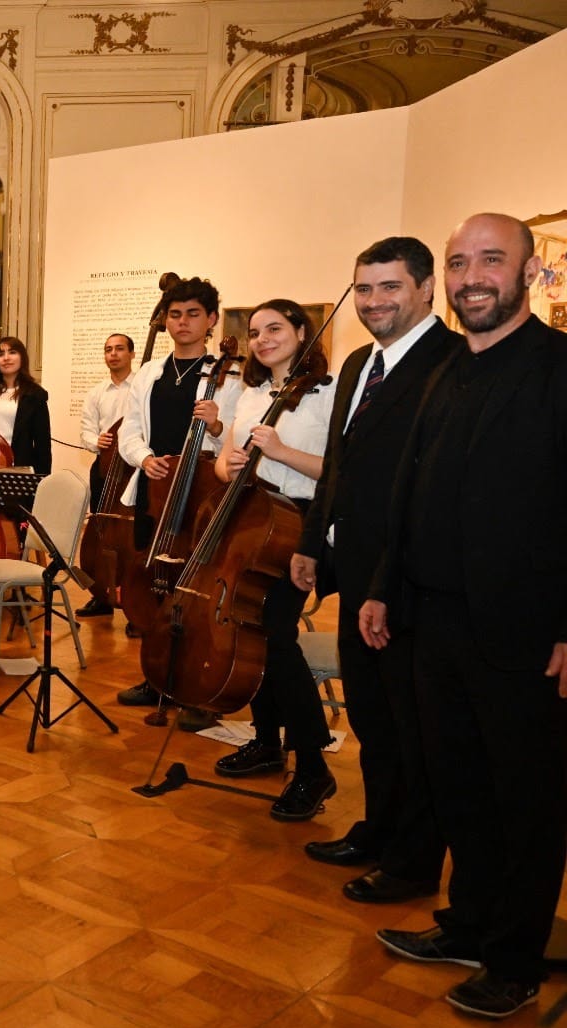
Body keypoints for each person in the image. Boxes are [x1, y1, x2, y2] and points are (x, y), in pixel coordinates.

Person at [366, 213, 567, 1021]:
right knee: (458, 787)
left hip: (525, 633)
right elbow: (409, 491)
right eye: (458, 263)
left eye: (491, 260)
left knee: (526, 801)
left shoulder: (558, 367)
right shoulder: (448, 369)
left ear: (529, 271)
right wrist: (382, 584)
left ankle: (514, 961)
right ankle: (471, 924)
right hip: (432, 622)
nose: (471, 276)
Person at [290, 237, 454, 903]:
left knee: (413, 725)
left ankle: (413, 863)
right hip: (353, 568)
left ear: (425, 290)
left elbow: (429, 487)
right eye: (364, 289)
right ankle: (378, 830)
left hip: (406, 580)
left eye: (390, 288)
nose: (375, 301)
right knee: (371, 717)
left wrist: (387, 581)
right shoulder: (360, 363)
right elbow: (338, 464)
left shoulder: (448, 363)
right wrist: (311, 540)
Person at [202, 299, 337, 819]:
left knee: (275, 635)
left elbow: (337, 470)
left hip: (299, 525)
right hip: (253, 518)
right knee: (250, 629)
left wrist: (281, 452)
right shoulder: (253, 394)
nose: (261, 339)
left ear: (302, 332)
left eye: (274, 328)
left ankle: (312, 766)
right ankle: (267, 741)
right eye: (256, 331)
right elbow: (222, 464)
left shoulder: (326, 396)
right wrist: (226, 466)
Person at [114, 277, 242, 719]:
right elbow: (130, 429)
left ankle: (198, 687)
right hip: (156, 490)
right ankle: (157, 678)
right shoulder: (149, 372)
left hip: (202, 493)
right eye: (175, 314)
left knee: (197, 592)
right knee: (157, 588)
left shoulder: (229, 375)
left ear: (210, 320)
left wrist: (219, 426)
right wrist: (145, 459)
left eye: (192, 314)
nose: (182, 322)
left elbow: (237, 437)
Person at [75, 332, 135, 616]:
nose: (113, 354)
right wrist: (95, 440)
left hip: (133, 469)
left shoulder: (141, 388)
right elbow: (86, 429)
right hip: (103, 467)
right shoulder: (96, 392)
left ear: (131, 354)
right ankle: (101, 594)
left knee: (134, 532)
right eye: (108, 349)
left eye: (120, 349)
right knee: (101, 527)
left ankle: (135, 599)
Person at [0, 335, 52, 474]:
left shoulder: (35, 394)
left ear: (22, 358)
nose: (6, 358)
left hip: (16, 466)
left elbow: (42, 444)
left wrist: (42, 478)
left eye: (12, 352)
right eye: (0, 354)